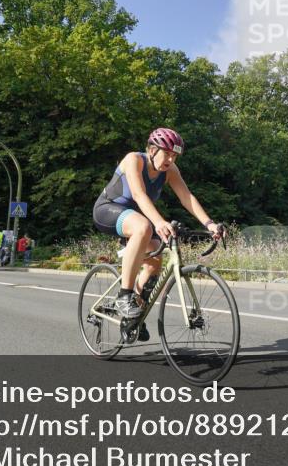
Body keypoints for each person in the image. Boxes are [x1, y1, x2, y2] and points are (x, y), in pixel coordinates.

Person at [92, 128, 225, 342]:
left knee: (155, 261)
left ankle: (133, 317)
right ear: (152, 150)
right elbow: (138, 194)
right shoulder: (134, 160)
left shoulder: (170, 170)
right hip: (108, 210)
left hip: (137, 217)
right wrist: (159, 222)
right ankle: (124, 296)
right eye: (167, 153)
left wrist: (209, 223)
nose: (171, 159)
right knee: (143, 227)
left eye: (175, 156)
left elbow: (187, 197)